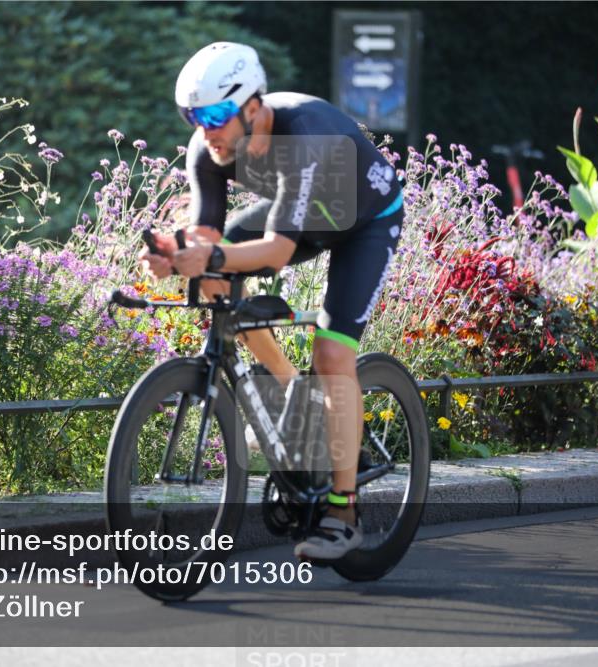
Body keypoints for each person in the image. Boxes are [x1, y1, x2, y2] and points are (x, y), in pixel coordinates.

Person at [140, 42, 404, 561]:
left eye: (216, 114)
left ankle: (344, 513)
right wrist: (177, 254)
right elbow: (207, 235)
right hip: (306, 213)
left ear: (253, 108)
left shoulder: (299, 134)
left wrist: (209, 253)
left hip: (365, 223)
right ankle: (288, 390)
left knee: (332, 355)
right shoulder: (207, 150)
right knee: (215, 275)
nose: (206, 128)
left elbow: (279, 252)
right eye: (193, 116)